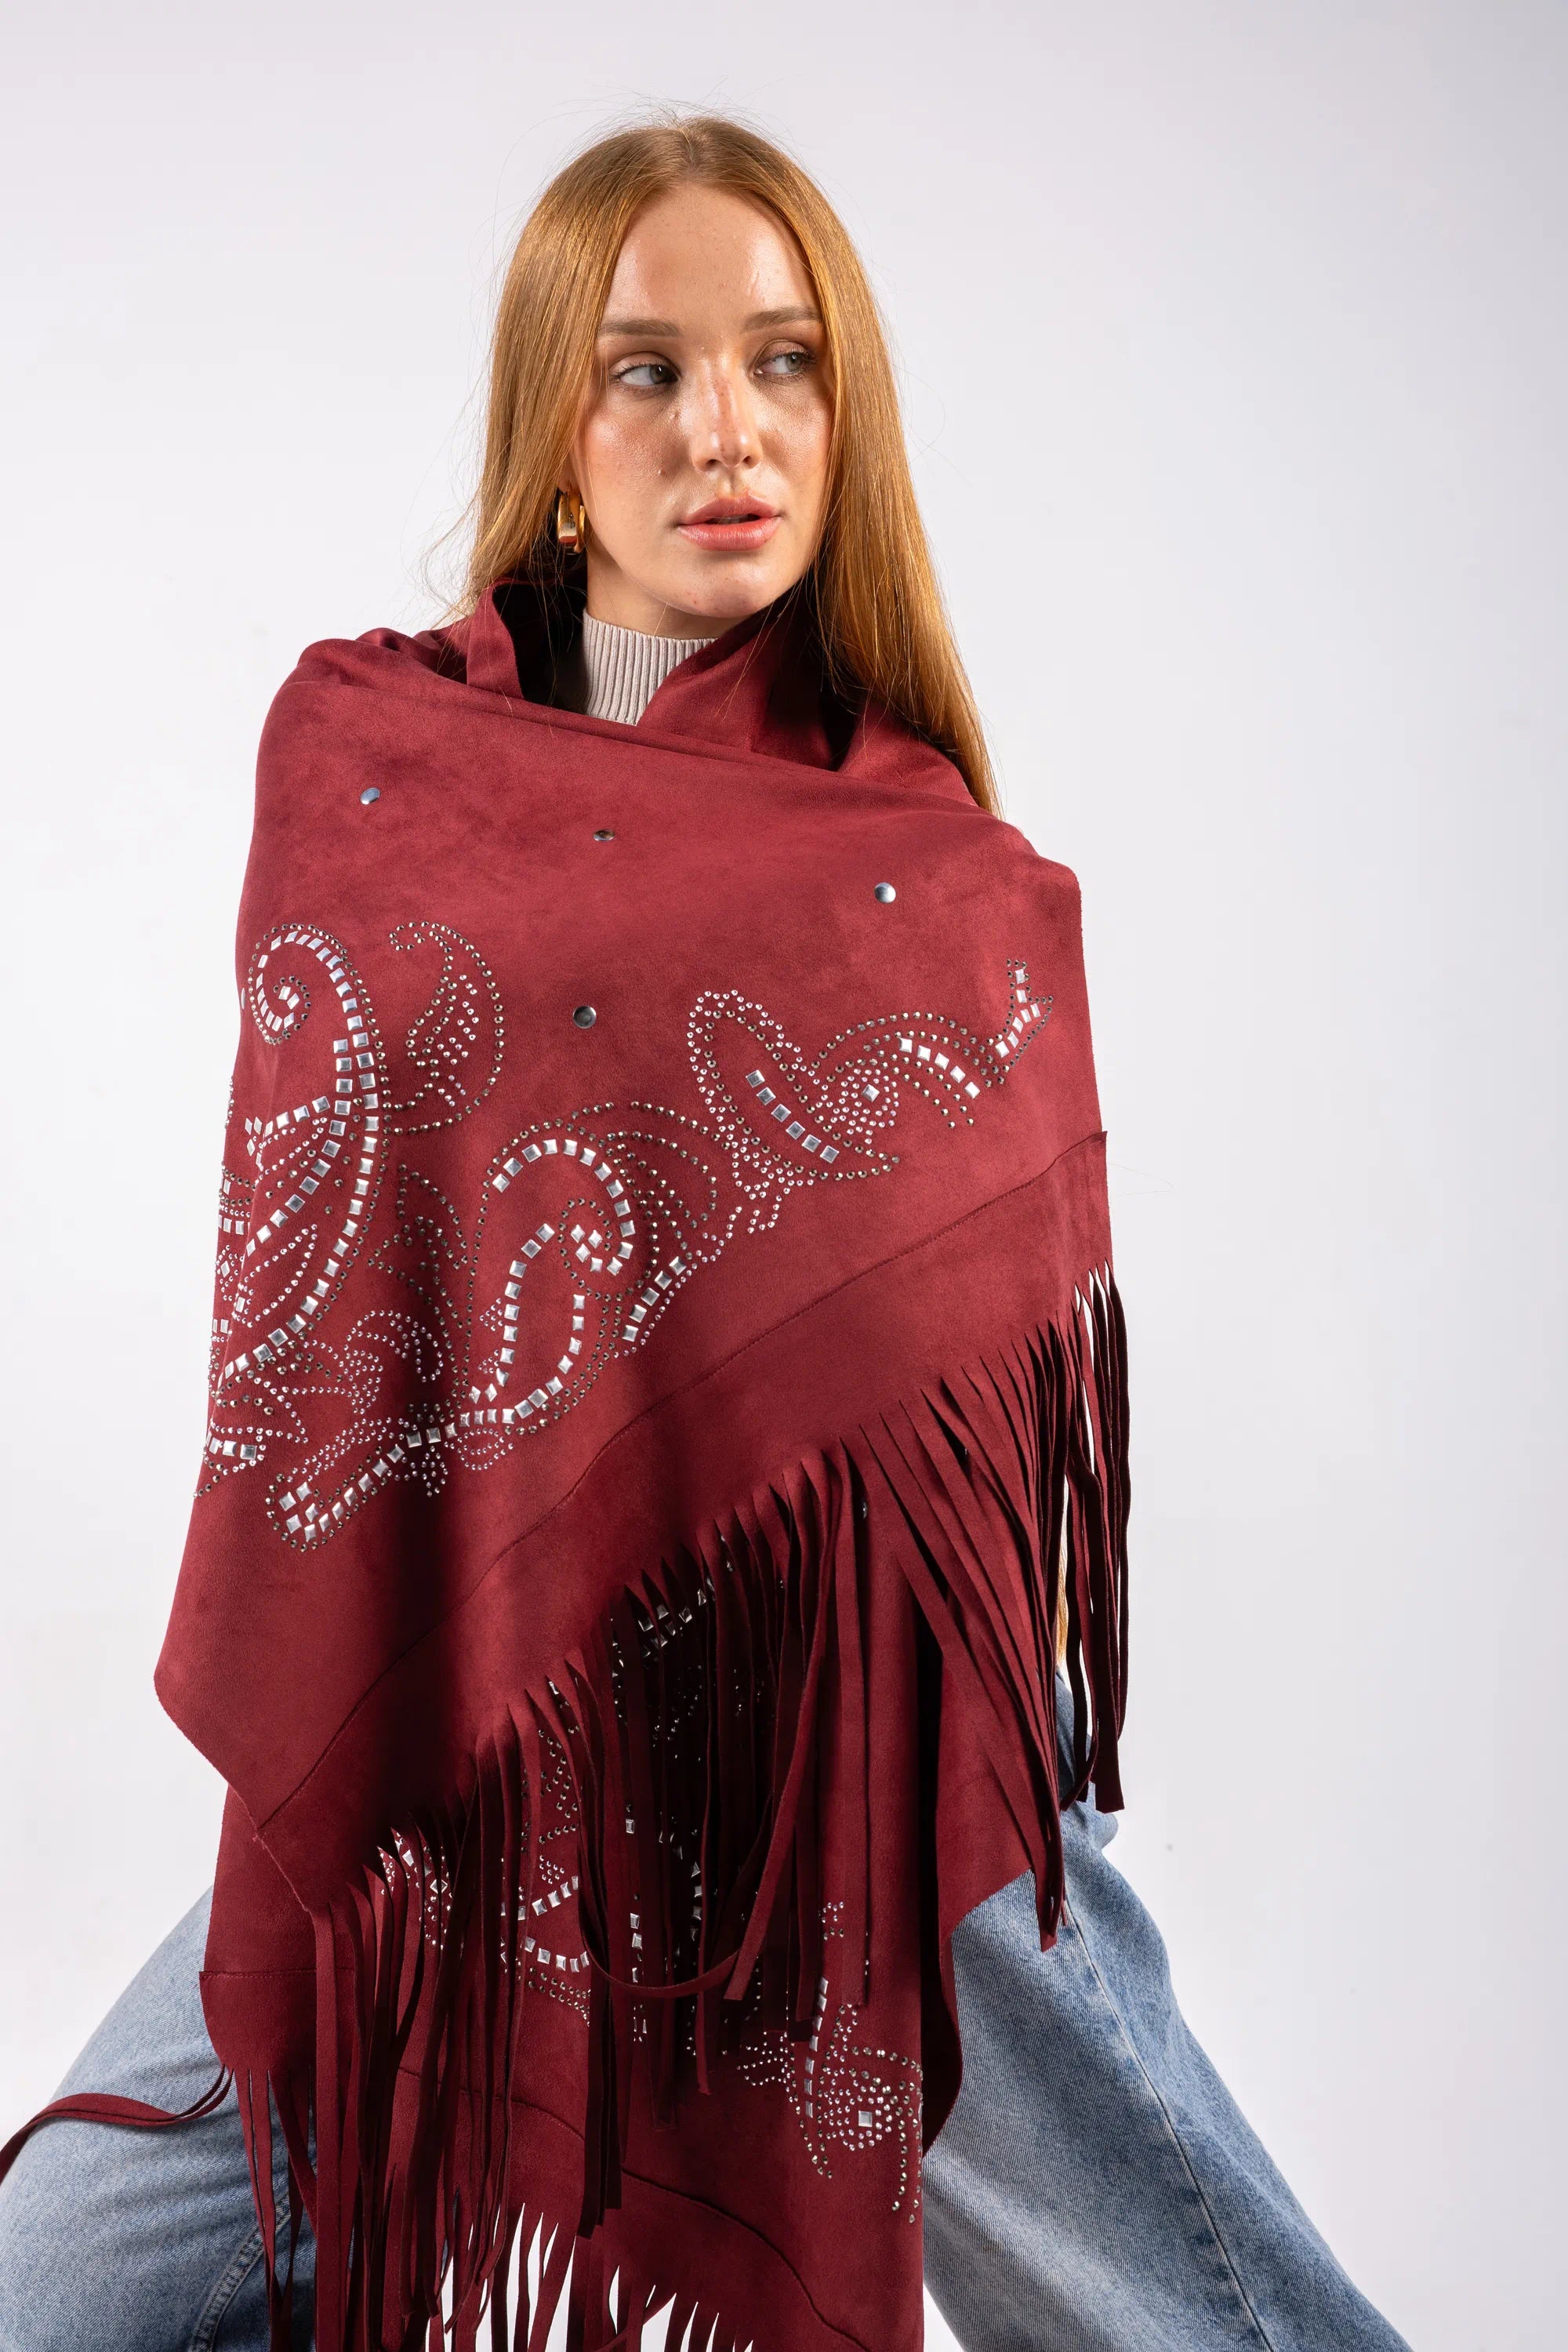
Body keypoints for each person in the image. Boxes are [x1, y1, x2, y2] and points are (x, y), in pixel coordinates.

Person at [0, 114, 1410, 2352]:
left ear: (850, 417)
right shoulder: (367, 755)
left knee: (1161, 2292)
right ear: (556, 434)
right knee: (65, 2282)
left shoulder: (934, 870)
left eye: (784, 362)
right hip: (457, 1701)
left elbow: (971, 1363)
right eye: (646, 371)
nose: (724, 431)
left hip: (851, 1713)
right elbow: (332, 1233)